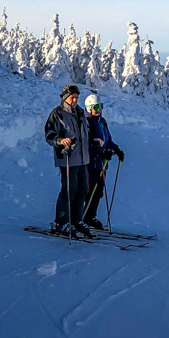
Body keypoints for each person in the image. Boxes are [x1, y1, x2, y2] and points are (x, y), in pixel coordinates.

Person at [44, 84, 93, 238]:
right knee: (69, 191)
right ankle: (61, 222)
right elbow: (49, 135)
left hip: (82, 159)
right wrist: (60, 140)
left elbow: (86, 133)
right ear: (65, 98)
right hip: (67, 159)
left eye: (77, 98)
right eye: (72, 98)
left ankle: (76, 220)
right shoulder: (57, 114)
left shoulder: (80, 112)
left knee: (83, 190)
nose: (75, 101)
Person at [83, 94, 125, 230]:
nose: (99, 110)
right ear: (89, 108)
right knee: (90, 190)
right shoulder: (86, 122)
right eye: (96, 107)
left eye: (100, 106)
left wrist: (117, 150)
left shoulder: (102, 121)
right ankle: (82, 217)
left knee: (99, 191)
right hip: (91, 163)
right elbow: (87, 143)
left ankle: (90, 217)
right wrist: (100, 151)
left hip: (102, 163)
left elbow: (108, 140)